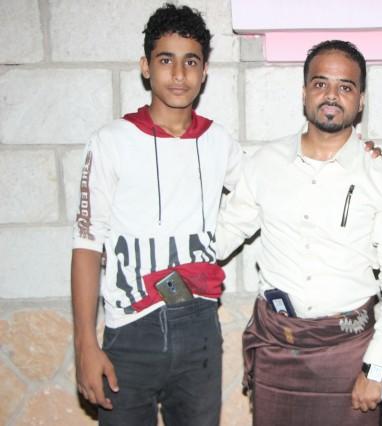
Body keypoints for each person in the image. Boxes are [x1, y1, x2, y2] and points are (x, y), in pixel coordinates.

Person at [213, 40, 382, 425]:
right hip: (277, 346)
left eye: (345, 87)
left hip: (350, 351)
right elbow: (222, 234)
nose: (332, 95)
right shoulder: (264, 163)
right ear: (304, 92)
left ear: (361, 100)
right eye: (321, 83)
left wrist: (375, 367)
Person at [71, 4, 243, 425]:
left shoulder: (219, 142)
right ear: (146, 67)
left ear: (205, 71)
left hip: (199, 328)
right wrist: (84, 344)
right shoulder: (112, 141)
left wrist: (355, 151)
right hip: (131, 329)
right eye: (166, 60)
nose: (179, 74)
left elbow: (266, 192)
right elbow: (87, 244)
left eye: (191, 62)